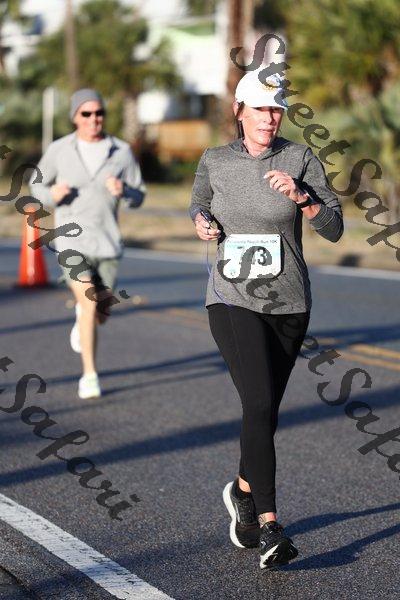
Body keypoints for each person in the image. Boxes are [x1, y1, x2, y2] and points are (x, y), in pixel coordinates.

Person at [189, 71, 343, 569]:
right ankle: (272, 526)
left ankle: (241, 490)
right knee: (257, 401)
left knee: (264, 413)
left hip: (290, 302)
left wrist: (305, 198)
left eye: (276, 110)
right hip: (231, 297)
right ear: (239, 111)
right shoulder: (215, 160)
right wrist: (201, 222)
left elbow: (335, 226)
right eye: (259, 109)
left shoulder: (299, 158)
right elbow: (198, 203)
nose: (269, 118)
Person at [30, 88, 145, 400]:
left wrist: (125, 191)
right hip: (70, 241)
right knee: (89, 301)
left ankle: (84, 318)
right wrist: (50, 195)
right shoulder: (59, 150)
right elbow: (35, 185)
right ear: (75, 117)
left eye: (99, 113)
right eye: (86, 113)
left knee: (99, 313)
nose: (94, 119)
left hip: (107, 244)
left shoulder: (120, 151)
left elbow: (140, 195)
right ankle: (90, 375)